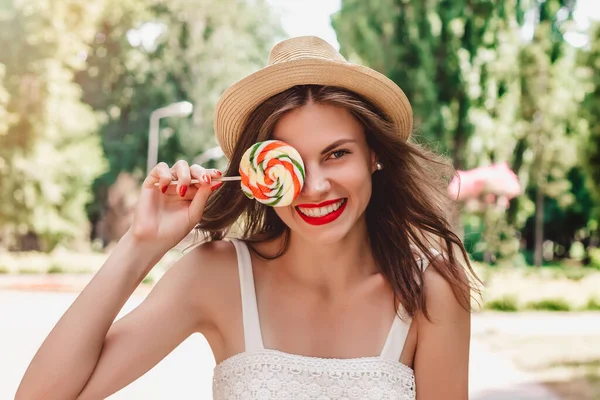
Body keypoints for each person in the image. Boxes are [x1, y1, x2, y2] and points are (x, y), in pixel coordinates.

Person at [17, 36, 477, 400]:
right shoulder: (215, 276)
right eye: (290, 160)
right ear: (258, 174)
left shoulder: (431, 290)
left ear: (374, 156)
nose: (315, 186)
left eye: (336, 154)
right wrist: (141, 245)